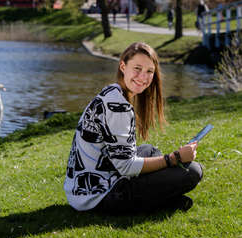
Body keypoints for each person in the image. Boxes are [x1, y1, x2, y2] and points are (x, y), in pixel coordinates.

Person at [64, 42, 203, 214]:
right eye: (137, 68)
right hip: (99, 196)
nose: (143, 77)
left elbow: (123, 157)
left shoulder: (112, 92)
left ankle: (163, 197)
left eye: (149, 71)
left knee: (150, 151)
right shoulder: (118, 106)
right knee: (193, 171)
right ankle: (162, 199)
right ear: (123, 66)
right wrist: (174, 158)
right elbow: (126, 167)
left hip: (81, 189)